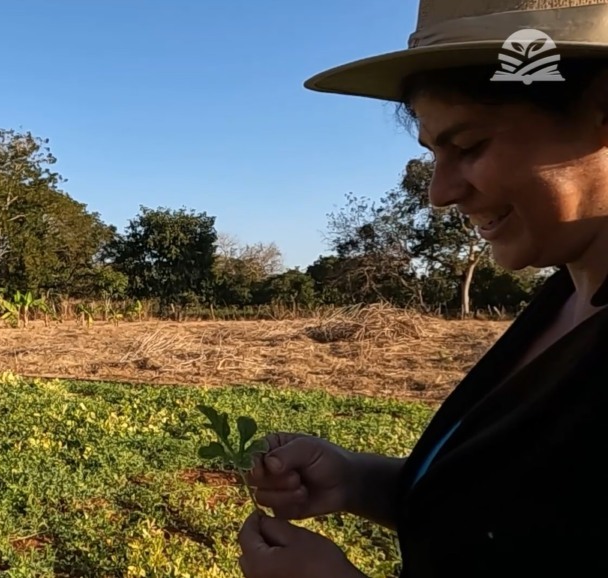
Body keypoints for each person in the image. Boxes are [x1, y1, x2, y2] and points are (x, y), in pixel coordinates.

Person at [237, 1, 608, 577]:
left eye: (468, 146)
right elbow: (521, 521)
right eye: (433, 153)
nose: (438, 193)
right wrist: (360, 480)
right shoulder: (567, 295)